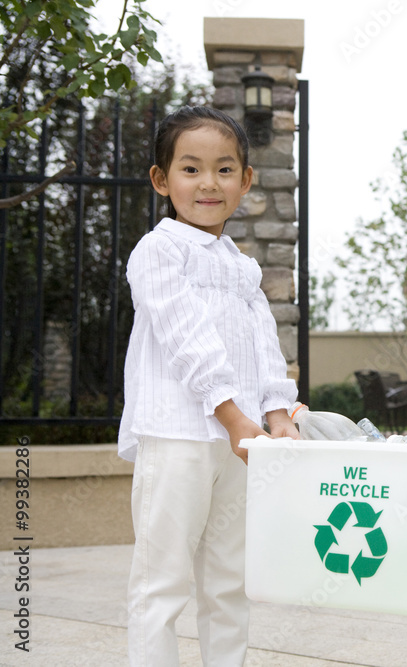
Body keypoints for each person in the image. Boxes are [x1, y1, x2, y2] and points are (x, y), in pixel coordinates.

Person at [118, 105, 300, 666]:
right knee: (161, 582)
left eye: (224, 170)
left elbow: (266, 345)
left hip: (239, 445)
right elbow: (185, 336)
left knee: (229, 582)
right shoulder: (159, 250)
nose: (208, 184)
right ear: (161, 179)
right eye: (190, 169)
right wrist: (231, 413)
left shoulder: (242, 267)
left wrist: (278, 414)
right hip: (177, 437)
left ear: (245, 181)